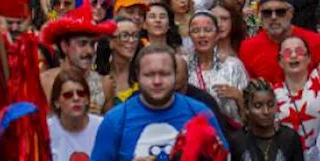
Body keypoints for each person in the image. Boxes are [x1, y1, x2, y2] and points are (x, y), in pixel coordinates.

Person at [90, 44, 224, 161]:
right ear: (137, 76)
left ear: (175, 74)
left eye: (164, 74)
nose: (157, 81)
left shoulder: (200, 113)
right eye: (149, 74)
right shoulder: (116, 120)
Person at [240, 0, 320, 84]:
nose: (273, 17)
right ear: (260, 14)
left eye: (280, 12)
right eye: (267, 13)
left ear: (291, 13)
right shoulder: (248, 48)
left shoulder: (316, 42)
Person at [227, 79, 304, 161]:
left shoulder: (290, 138)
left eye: (270, 105)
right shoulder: (237, 141)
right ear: (247, 108)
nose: (266, 111)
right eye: (258, 106)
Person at [47, 72, 102, 161]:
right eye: (68, 95)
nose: (76, 98)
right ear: (56, 102)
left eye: (81, 94)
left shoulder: (103, 126)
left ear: (87, 99)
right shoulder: (46, 131)